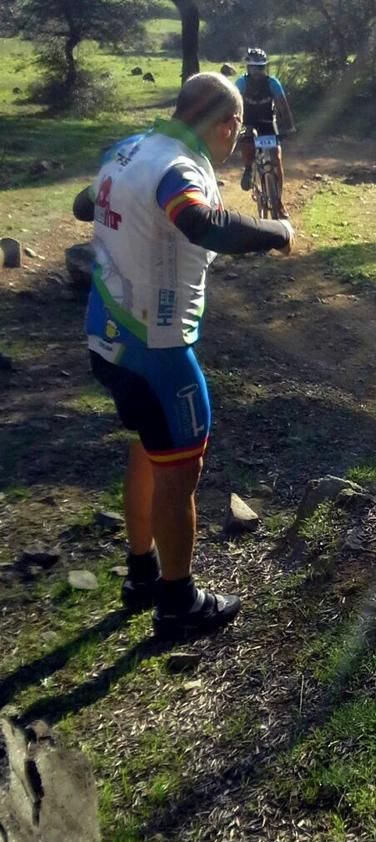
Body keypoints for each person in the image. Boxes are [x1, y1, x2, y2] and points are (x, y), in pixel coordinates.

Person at [72, 73, 294, 641]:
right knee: (181, 466)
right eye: (235, 131)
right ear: (225, 124)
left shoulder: (126, 150)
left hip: (107, 333)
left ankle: (143, 570)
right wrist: (277, 231)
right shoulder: (177, 167)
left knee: (150, 448)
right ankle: (178, 599)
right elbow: (199, 221)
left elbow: (83, 203)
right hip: (156, 346)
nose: (233, 142)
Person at [234, 49, 295, 219]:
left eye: (260, 68)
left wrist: (289, 127)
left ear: (265, 68)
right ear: (248, 67)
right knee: (247, 142)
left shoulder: (272, 83)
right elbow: (233, 103)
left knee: (276, 158)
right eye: (254, 68)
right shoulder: (241, 83)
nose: (257, 72)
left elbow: (283, 106)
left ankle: (279, 201)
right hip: (248, 122)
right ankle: (248, 168)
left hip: (268, 122)